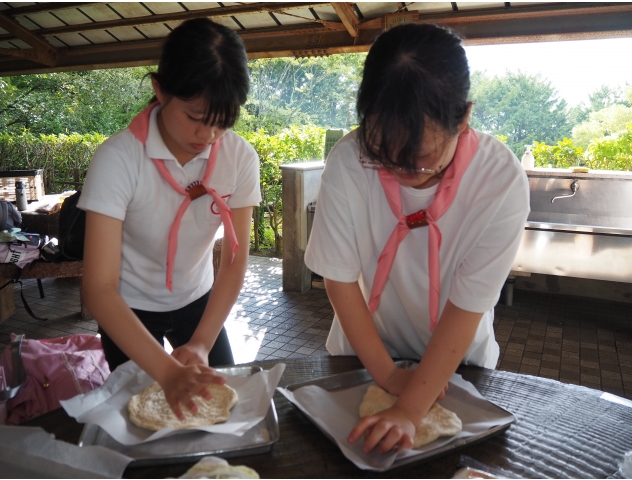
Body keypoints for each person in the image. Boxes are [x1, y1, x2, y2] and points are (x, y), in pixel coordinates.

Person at [304, 23, 530, 455]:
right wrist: (388, 377)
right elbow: (339, 280)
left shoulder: (498, 180)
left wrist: (409, 408)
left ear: (463, 118)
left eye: (421, 160)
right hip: (363, 351)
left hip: (457, 360)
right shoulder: (350, 161)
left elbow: (469, 303)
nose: (402, 170)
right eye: (383, 153)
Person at [79, 18, 260, 420]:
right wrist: (166, 372)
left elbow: (233, 260)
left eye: (224, 120)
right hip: (127, 309)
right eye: (196, 116)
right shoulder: (119, 160)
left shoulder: (239, 157)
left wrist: (200, 343)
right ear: (159, 90)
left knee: (222, 410)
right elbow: (99, 289)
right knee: (143, 417)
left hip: (199, 301)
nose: (209, 135)